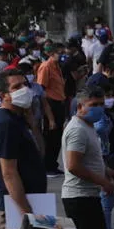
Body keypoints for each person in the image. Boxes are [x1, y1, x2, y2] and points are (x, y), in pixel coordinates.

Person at [0, 69, 47, 229]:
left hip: (33, 200)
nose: (24, 89)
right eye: (16, 87)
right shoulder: (5, 122)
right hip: (18, 207)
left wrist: (32, 124)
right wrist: (27, 214)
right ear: (3, 94)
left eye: (25, 84)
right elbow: (9, 172)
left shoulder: (18, 118)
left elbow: (41, 152)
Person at [62, 86, 114, 229]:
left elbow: (87, 157)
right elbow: (73, 165)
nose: (99, 109)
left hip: (88, 196)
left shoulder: (88, 125)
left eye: (101, 104)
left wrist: (105, 170)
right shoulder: (77, 130)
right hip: (80, 198)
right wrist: (103, 182)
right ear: (80, 107)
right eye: (93, 105)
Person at [37, 43, 67, 177]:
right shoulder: (46, 67)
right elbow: (41, 89)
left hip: (59, 102)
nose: (60, 54)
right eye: (58, 52)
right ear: (50, 53)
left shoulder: (57, 67)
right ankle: (46, 166)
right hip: (51, 103)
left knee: (57, 137)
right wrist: (49, 116)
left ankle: (53, 164)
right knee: (50, 136)